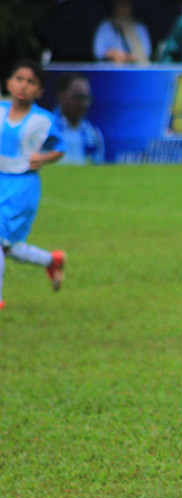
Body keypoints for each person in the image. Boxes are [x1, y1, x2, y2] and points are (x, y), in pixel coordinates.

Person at [0, 59, 66, 312]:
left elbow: (59, 148)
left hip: (22, 186)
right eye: (19, 79)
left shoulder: (43, 120)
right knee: (10, 248)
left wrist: (44, 158)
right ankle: (52, 260)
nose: (23, 86)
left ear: (39, 91)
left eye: (31, 82)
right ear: (8, 82)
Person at [53, 74, 105, 165]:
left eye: (87, 98)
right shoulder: (46, 129)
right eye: (78, 98)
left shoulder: (93, 135)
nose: (84, 104)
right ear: (61, 96)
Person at [92, 0, 152, 65]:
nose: (122, 9)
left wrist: (127, 57)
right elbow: (98, 52)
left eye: (125, 5)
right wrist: (112, 54)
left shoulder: (139, 27)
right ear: (113, 7)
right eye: (119, 5)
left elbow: (146, 52)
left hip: (134, 69)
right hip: (110, 70)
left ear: (130, 7)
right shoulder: (105, 27)